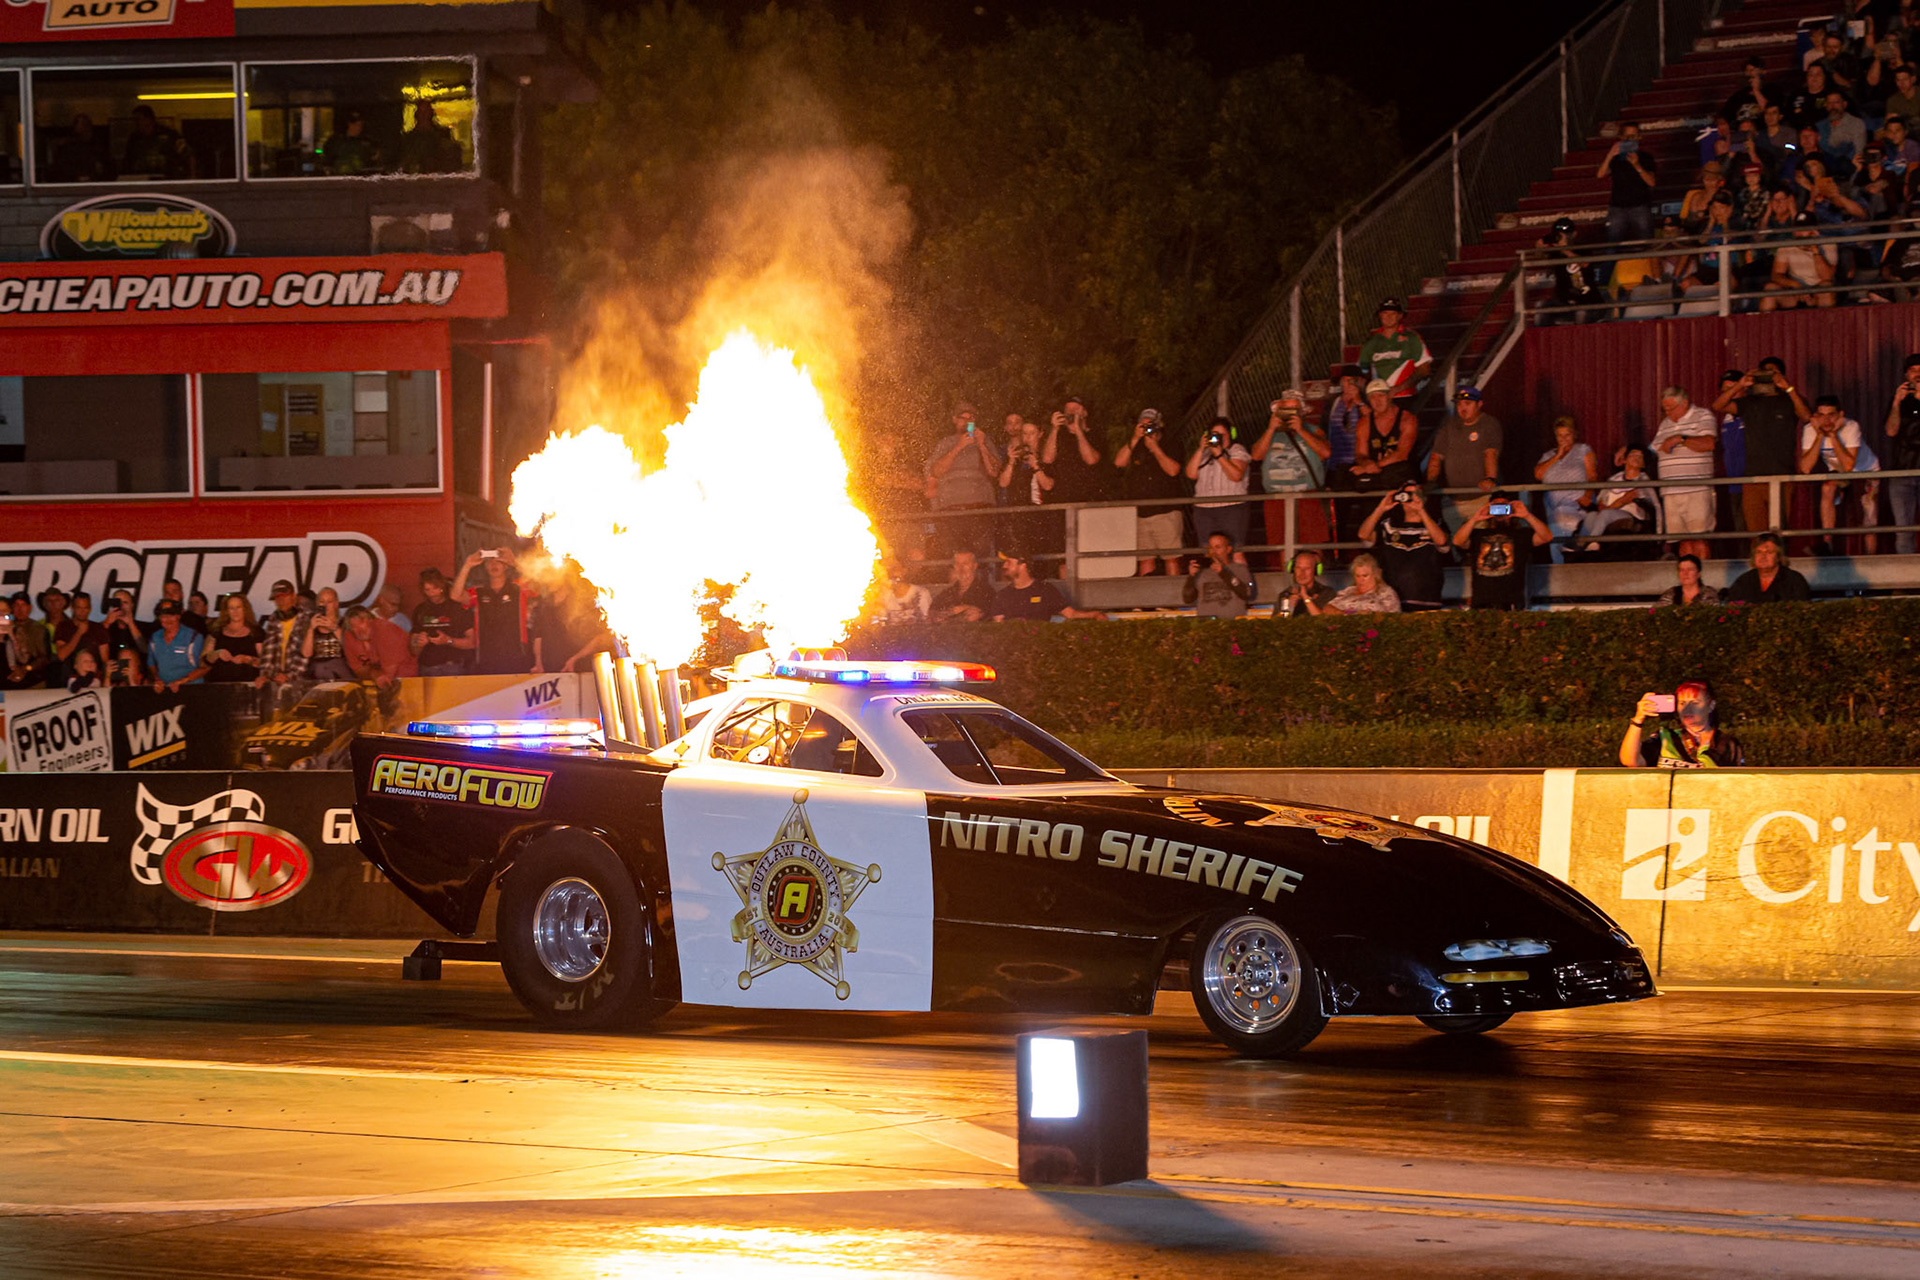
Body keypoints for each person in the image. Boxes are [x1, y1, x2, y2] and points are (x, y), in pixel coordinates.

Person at [1714, 358, 1813, 533]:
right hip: (1753, 477)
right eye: (1764, 373)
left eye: (1772, 373)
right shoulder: (1749, 402)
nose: (1768, 378)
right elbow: (1718, 406)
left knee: (1779, 532)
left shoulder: (1789, 400)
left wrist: (1788, 388)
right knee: (1755, 532)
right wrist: (1740, 385)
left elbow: (1806, 417)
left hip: (1782, 475)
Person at [1251, 390, 1331, 566]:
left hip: (1307, 494)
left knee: (1313, 543)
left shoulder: (1312, 430)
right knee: (1282, 544)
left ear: (1302, 412)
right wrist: (1271, 427)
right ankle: (1287, 581)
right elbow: (1256, 455)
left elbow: (1325, 452)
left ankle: (1315, 581)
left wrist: (1300, 429)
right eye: (1285, 410)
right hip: (1277, 497)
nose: (1290, 414)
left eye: (1294, 410)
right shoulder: (1270, 433)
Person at [1798, 394, 1881, 553]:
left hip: (1865, 471)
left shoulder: (1850, 427)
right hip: (1838, 473)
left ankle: (1871, 556)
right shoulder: (1810, 430)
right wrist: (1820, 435)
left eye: (1831, 415)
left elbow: (1849, 465)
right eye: (1821, 416)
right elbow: (1806, 468)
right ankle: (1827, 543)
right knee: (1827, 488)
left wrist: (1834, 436)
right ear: (1815, 416)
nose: (1826, 421)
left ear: (1840, 415)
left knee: (1868, 515)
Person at [1112, 408, 1186, 576]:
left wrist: (1155, 448)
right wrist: (1135, 438)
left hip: (1166, 512)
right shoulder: (1136, 444)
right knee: (1145, 558)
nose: (1146, 428)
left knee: (1171, 557)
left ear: (1160, 425)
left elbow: (1173, 470)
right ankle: (1147, 601)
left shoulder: (1171, 443)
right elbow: (1119, 462)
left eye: (1150, 425)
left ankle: (1172, 600)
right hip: (1141, 513)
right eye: (1143, 424)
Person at [1651, 386, 1720, 561]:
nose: (1667, 412)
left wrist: (1680, 439)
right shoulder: (1665, 423)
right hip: (1671, 491)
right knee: (1682, 541)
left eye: (1671, 408)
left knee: (1700, 539)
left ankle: (1703, 578)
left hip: (1695, 489)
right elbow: (1655, 448)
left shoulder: (1702, 416)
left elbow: (1708, 443)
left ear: (1684, 403)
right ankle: (1687, 577)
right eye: (1664, 408)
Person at [925, 402, 1001, 559]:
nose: (966, 422)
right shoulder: (945, 443)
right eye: (962, 418)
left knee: (981, 559)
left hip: (980, 509)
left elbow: (994, 471)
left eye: (971, 418)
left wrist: (982, 446)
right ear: (954, 419)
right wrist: (959, 446)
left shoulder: (984, 441)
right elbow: (936, 471)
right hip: (950, 510)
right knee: (952, 558)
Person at [1357, 483, 1450, 612]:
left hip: (1427, 598)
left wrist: (1421, 510)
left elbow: (1441, 541)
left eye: (1415, 494)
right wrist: (1380, 508)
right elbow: (1363, 534)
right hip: (1393, 600)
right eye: (1407, 494)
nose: (1410, 498)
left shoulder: (1434, 523)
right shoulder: (1389, 524)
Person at [1452, 493, 1552, 610]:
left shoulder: (1521, 534)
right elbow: (1457, 541)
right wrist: (1475, 519)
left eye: (1504, 506)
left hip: (1511, 602)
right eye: (1495, 506)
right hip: (1481, 602)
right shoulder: (1477, 534)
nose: (1500, 512)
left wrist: (1527, 515)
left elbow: (1546, 537)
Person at [1619, 679, 1745, 768]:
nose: (1687, 709)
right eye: (1682, 703)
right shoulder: (1666, 738)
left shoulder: (1727, 743)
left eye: (1695, 703)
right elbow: (1630, 761)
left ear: (1710, 706)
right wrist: (1638, 720)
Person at [1427, 386, 1503, 530]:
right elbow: (1435, 457)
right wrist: (1431, 481)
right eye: (1459, 404)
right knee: (1455, 543)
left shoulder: (1489, 424)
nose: (1462, 408)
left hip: (1481, 498)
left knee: (1481, 540)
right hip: (1453, 500)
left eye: (1467, 404)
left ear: (1479, 404)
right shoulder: (1449, 425)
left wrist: (1490, 478)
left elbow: (1490, 453)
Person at [453, 549, 532, 675]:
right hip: (486, 658)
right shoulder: (479, 591)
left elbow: (541, 581)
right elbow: (455, 596)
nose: (493, 565)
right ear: (484, 566)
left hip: (516, 657)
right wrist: (467, 564)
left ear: (506, 566)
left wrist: (515, 562)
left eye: (498, 562)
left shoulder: (519, 588)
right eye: (489, 562)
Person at [1534, 416, 1599, 561]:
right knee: (1555, 534)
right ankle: (1560, 571)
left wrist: (1588, 496)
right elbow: (1538, 474)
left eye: (1567, 435)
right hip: (1556, 507)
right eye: (1560, 435)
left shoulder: (1583, 450)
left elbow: (1592, 476)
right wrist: (1558, 455)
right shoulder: (1548, 455)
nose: (1564, 439)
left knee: (1558, 533)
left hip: (1577, 504)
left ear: (1574, 434)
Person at [1184, 416, 1253, 549]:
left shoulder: (1237, 450)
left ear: (1230, 435)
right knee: (1209, 550)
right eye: (1214, 434)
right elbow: (1190, 474)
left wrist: (1219, 455)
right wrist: (1200, 449)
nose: (1219, 438)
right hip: (1204, 509)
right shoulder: (1204, 453)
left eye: (1222, 434)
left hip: (1231, 507)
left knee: (1234, 550)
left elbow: (1236, 475)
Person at [1577, 445, 1659, 552]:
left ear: (1643, 464)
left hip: (1630, 516)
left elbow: (1626, 498)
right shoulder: (1614, 479)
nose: (1635, 458)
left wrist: (1607, 509)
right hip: (1609, 512)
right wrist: (1601, 506)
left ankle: (1593, 542)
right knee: (1591, 516)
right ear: (1624, 460)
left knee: (1605, 514)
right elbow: (1602, 498)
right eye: (1632, 455)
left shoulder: (1643, 480)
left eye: (1639, 457)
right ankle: (1580, 546)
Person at [997, 419, 1056, 555]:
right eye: (1024, 433)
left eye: (1032, 433)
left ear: (1040, 434)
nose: (1027, 437)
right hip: (1018, 518)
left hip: (1041, 518)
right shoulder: (1015, 459)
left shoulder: (1045, 458)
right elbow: (1003, 483)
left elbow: (1048, 485)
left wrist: (1036, 466)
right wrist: (1011, 462)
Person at [990, 553, 1104, 621]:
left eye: (1009, 562)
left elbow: (1070, 614)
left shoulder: (1045, 590)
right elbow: (999, 626)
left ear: (1023, 566)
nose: (1004, 566)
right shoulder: (1002, 595)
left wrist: (1095, 614)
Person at [1881, 354, 1920, 554]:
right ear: (1906, 375)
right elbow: (1890, 431)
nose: (1918, 374)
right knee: (1904, 530)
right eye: (1913, 370)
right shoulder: (1900, 402)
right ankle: (1906, 581)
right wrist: (1897, 402)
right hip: (1902, 472)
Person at [1355, 299, 1431, 399]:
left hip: (1406, 396)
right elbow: (1361, 373)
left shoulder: (1412, 338)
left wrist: (1398, 388)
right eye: (1385, 313)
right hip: (1379, 401)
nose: (1388, 317)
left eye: (1393, 313)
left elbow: (1424, 370)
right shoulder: (1371, 342)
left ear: (1400, 316)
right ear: (1380, 315)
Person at [529, 576, 606, 674]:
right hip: (551, 673)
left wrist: (576, 658)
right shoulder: (543, 604)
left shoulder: (582, 602)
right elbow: (538, 636)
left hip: (580, 671)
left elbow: (599, 638)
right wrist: (538, 663)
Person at [1351, 379, 1417, 492]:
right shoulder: (1364, 422)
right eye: (1373, 397)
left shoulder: (1407, 419)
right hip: (1375, 474)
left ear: (1389, 396)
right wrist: (1365, 463)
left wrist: (1373, 466)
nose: (1377, 401)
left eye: (1381, 396)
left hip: (1401, 474)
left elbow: (1402, 454)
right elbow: (1360, 454)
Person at [1598, 122, 1658, 244]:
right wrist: (1610, 155)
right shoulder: (1615, 159)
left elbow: (1651, 182)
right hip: (1617, 206)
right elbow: (1600, 175)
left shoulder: (1646, 157)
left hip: (1640, 205)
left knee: (1646, 241)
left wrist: (1637, 165)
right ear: (1621, 138)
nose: (1631, 140)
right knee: (1612, 242)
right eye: (1628, 137)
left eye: (1634, 136)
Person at [1537, 217, 1605, 324]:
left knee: (1581, 313)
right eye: (1559, 235)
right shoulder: (1554, 252)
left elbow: (1585, 263)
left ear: (1574, 234)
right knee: (1541, 307)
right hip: (1564, 302)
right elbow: (1539, 254)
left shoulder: (1583, 249)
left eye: (1566, 234)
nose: (1563, 238)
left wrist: (1565, 250)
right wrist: (1544, 244)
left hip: (1588, 301)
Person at [1040, 397, 1106, 507]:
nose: (1070, 412)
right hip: (1063, 500)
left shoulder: (1095, 435)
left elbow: (1091, 460)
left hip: (1089, 501)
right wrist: (1055, 428)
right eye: (1068, 409)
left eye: (1075, 409)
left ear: (1084, 413)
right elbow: (1047, 459)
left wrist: (1078, 430)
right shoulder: (1057, 436)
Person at [255, 578, 313, 698]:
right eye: (277, 597)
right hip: (277, 681)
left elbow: (304, 655)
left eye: (284, 596)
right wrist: (264, 675)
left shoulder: (306, 619)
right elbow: (268, 650)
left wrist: (289, 676)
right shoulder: (273, 619)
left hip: (301, 681)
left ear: (294, 596)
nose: (280, 600)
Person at [411, 568, 475, 675]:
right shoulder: (420, 610)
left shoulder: (458, 607)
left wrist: (448, 640)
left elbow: (472, 642)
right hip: (427, 667)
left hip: (454, 667)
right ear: (422, 590)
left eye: (435, 588)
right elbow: (413, 650)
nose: (432, 593)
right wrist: (419, 642)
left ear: (442, 586)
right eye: (427, 590)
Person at [1181, 532, 1257, 618]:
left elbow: (1247, 593)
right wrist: (1191, 577)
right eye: (1211, 547)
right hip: (1207, 624)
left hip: (1233, 623)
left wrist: (1224, 572)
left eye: (1218, 547)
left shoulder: (1240, 569)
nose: (1213, 551)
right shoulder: (1202, 572)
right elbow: (1187, 599)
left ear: (1228, 549)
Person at [1302, 553, 1401, 615]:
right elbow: (1328, 608)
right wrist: (1343, 614)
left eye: (1365, 576)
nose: (1360, 580)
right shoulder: (1349, 591)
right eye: (1357, 576)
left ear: (1375, 574)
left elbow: (1392, 618)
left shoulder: (1385, 592)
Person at [1725, 532, 1812, 602]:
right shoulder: (1744, 581)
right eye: (1759, 552)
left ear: (1778, 556)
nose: (1763, 556)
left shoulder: (1794, 580)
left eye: (1769, 552)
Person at [146, 601, 209, 692]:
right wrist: (157, 679)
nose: (168, 619)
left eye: (172, 614)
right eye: (164, 615)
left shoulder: (194, 637)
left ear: (178, 616)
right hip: (165, 691)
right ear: (159, 618)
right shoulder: (155, 638)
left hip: (191, 690)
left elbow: (205, 667)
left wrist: (183, 681)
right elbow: (151, 664)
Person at [342, 606, 411, 687]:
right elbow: (358, 669)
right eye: (354, 626)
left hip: (407, 678)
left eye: (362, 623)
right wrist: (374, 674)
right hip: (377, 682)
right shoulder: (349, 636)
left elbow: (389, 674)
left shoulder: (386, 630)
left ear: (371, 620)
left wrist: (373, 674)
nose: (359, 629)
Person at [204, 593, 264, 683]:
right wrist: (217, 654)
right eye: (231, 608)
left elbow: (266, 663)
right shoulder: (216, 631)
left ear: (245, 609)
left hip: (248, 686)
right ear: (226, 611)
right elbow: (203, 662)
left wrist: (247, 659)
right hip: (219, 686)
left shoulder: (256, 632)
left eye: (238, 607)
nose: (235, 611)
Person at [121, 104, 191, 179]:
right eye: (135, 120)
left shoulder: (169, 135)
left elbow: (187, 155)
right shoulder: (135, 138)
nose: (137, 123)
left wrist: (190, 175)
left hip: (167, 177)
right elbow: (129, 160)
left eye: (139, 119)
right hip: (141, 177)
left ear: (149, 119)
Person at [300, 587, 354, 681]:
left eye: (329, 602)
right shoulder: (309, 624)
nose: (325, 605)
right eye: (322, 602)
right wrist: (311, 629)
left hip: (341, 672)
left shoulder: (345, 623)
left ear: (336, 604)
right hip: (317, 674)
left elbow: (352, 649)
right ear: (317, 604)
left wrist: (334, 628)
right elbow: (306, 653)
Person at [397, 101, 462, 174]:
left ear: (431, 114)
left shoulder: (442, 135)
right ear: (416, 115)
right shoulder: (409, 140)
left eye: (426, 112)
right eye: (421, 112)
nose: (424, 115)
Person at [930, 549, 995, 623]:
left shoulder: (987, 592)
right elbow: (932, 614)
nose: (961, 568)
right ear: (954, 567)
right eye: (958, 564)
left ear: (974, 566)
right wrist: (962, 610)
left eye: (965, 563)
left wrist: (952, 615)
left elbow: (985, 616)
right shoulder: (947, 593)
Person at [1, 593, 51, 689]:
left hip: (32, 679)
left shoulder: (38, 629)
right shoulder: (6, 624)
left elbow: (44, 658)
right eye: (16, 605)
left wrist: (25, 669)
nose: (20, 609)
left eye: (23, 605)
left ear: (30, 608)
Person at [56, 591, 110, 676]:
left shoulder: (98, 628)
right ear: (72, 608)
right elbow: (61, 655)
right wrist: (79, 633)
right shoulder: (63, 627)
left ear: (90, 608)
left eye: (86, 608)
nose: (83, 612)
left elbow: (105, 659)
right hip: (69, 678)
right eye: (79, 608)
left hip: (94, 678)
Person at [1272, 549, 1337, 618]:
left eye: (1307, 568)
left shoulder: (1327, 593)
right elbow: (1276, 624)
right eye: (1298, 568)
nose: (1302, 573)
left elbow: (1324, 621)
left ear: (1315, 570)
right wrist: (1288, 608)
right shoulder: (1285, 595)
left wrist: (1306, 598)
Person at [48, 113, 110, 184]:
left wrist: (99, 173)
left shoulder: (98, 148)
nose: (85, 130)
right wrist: (75, 178)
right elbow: (57, 173)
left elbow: (109, 170)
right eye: (83, 127)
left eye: (87, 126)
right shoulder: (67, 150)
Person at [320, 109, 383, 175]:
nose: (359, 128)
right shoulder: (335, 141)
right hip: (339, 178)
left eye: (360, 125)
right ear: (349, 124)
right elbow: (326, 161)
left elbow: (375, 162)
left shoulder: (368, 142)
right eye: (356, 125)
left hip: (361, 179)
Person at [875, 560, 933, 625]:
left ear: (904, 571)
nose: (891, 573)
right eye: (889, 570)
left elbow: (927, 620)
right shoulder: (884, 595)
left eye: (895, 568)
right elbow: (880, 620)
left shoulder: (921, 593)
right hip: (891, 633)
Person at [1657, 555, 1723, 606]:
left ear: (1698, 574)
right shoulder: (1671, 594)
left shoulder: (1708, 593)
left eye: (1690, 569)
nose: (1685, 573)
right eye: (1682, 570)